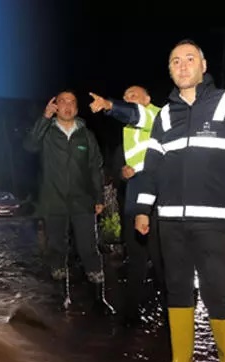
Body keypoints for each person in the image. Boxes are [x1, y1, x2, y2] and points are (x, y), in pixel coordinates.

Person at [133, 39, 225, 362]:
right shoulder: (165, 116)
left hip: (214, 220)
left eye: (190, 58)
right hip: (170, 220)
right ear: (170, 70)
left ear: (203, 65)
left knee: (216, 291)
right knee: (176, 288)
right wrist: (143, 209)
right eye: (175, 60)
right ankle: (181, 361)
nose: (183, 65)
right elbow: (152, 167)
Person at [24, 90, 114, 314]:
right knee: (57, 248)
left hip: (82, 201)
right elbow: (29, 145)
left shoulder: (86, 135)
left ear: (76, 108)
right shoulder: (46, 132)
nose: (67, 106)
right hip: (53, 200)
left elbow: (95, 168)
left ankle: (98, 298)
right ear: (55, 106)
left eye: (71, 102)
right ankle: (61, 297)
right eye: (62, 102)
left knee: (89, 248)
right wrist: (44, 117)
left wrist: (99, 198)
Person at [89, 86, 166, 322]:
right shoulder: (128, 133)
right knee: (136, 260)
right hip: (133, 201)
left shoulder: (158, 115)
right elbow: (117, 169)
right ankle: (131, 315)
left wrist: (110, 105)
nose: (128, 99)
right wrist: (123, 173)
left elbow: (135, 114)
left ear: (148, 98)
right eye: (125, 97)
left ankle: (172, 315)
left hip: (157, 203)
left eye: (133, 95)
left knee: (162, 261)